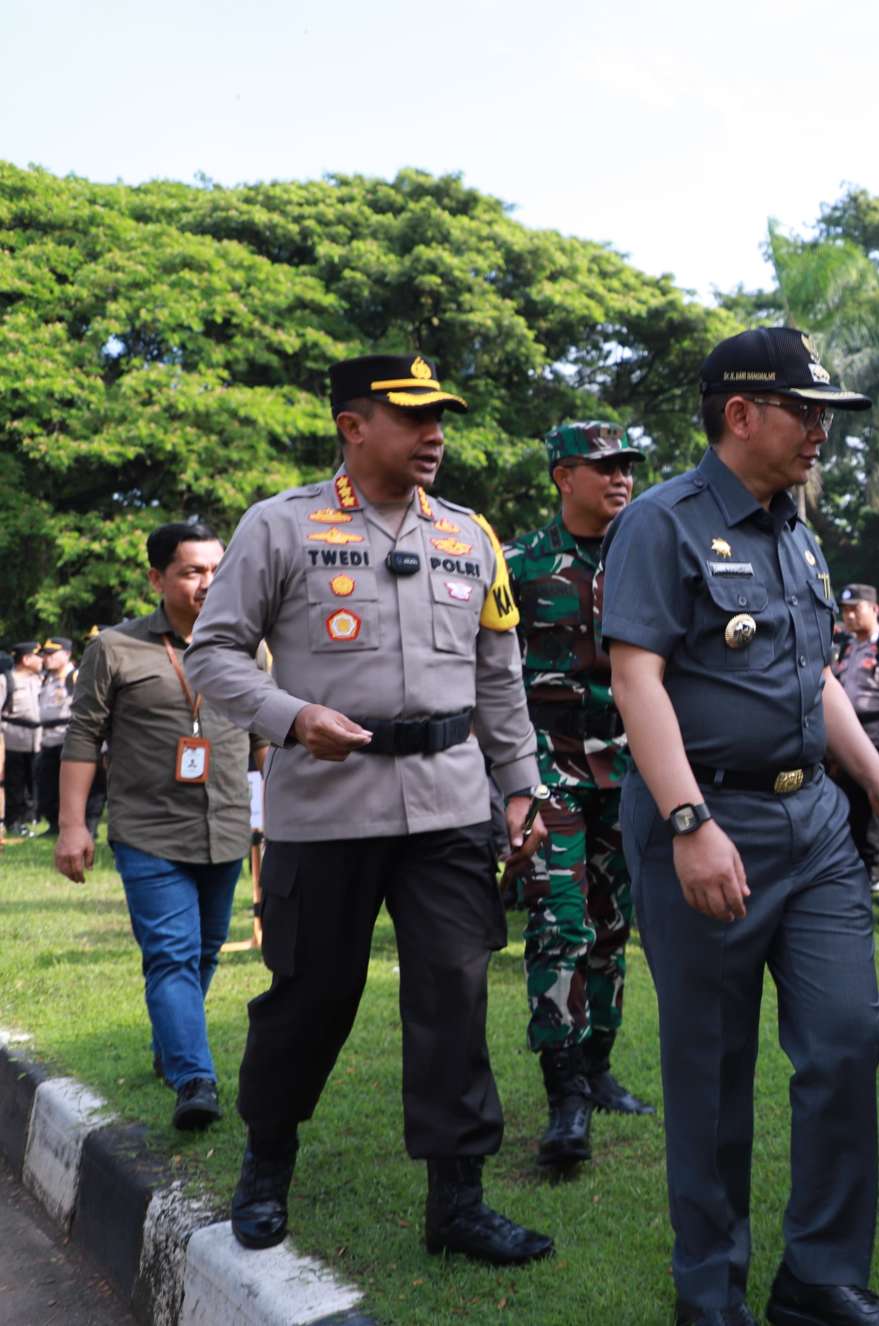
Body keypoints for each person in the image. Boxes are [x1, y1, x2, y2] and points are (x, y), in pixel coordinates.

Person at [185, 354, 555, 1266]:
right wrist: (292, 715)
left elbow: (497, 677)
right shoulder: (280, 526)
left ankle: (458, 1201)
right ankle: (267, 1161)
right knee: (312, 996)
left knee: (453, 997)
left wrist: (519, 787)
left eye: (441, 419)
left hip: (449, 807)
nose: (436, 435)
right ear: (354, 427)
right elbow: (214, 654)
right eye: (413, 418)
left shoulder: (471, 536)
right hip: (327, 808)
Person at [603, 325, 879, 1326]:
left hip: (816, 824)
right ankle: (710, 1287)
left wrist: (875, 780)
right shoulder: (661, 523)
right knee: (710, 1065)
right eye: (806, 412)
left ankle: (821, 1276)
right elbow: (636, 676)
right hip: (708, 814)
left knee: (844, 1040)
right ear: (740, 413)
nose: (820, 433)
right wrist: (689, 821)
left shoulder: (795, 526)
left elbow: (815, 676)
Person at [53, 523, 253, 1131]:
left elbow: (268, 736)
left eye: (217, 570)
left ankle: (172, 1048)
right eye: (192, 572)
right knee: (170, 955)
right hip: (148, 831)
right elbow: (83, 735)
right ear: (157, 579)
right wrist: (71, 827)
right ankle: (195, 1078)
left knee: (204, 952)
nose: (207, 583)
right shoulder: (114, 648)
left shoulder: (247, 645)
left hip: (225, 827)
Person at [503, 420, 655, 1173]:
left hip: (628, 774)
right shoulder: (519, 564)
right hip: (548, 773)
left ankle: (597, 1067)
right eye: (603, 467)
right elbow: (488, 677)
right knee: (560, 927)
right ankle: (563, 1096)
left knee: (612, 928)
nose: (620, 478)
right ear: (563, 475)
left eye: (627, 466)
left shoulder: (650, 558)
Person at [831, 582, 879, 913]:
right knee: (856, 814)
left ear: (874, 609)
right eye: (845, 611)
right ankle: (869, 872)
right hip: (849, 741)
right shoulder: (847, 648)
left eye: (855, 609)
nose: (849, 616)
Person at [32, 638, 75, 835]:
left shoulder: (75, 677)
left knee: (69, 789)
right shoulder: (46, 679)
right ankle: (53, 825)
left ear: (66, 654)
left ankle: (74, 826)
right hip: (48, 739)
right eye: (45, 654)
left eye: (52, 654)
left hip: (68, 739)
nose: (46, 658)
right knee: (47, 786)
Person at [4, 642, 43, 834]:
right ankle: (13, 821)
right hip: (13, 739)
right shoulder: (7, 681)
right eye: (38, 656)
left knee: (34, 780)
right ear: (26, 659)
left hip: (37, 740)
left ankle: (30, 819)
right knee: (15, 783)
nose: (42, 659)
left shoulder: (40, 680)